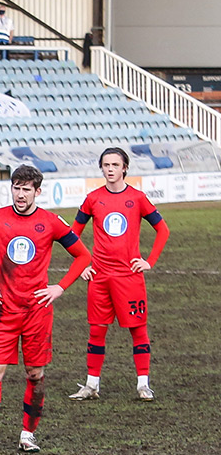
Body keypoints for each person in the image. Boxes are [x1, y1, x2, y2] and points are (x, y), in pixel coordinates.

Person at [0, 165, 92, 454]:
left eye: (26, 189)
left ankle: (27, 434)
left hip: (37, 313)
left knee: (35, 375)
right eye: (16, 187)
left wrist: (60, 287)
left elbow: (82, 256)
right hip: (4, 311)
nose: (20, 194)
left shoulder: (51, 222)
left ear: (37, 192)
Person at [68, 147, 169, 401]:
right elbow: (71, 236)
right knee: (96, 330)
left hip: (129, 277)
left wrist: (149, 261)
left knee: (138, 329)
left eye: (115, 164)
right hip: (99, 277)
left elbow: (163, 230)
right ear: (101, 168)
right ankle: (92, 385)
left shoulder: (137, 198)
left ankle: (143, 385)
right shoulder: (93, 199)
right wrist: (82, 265)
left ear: (125, 168)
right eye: (106, 165)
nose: (110, 169)